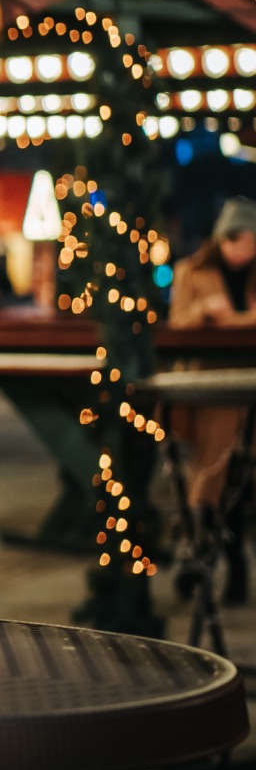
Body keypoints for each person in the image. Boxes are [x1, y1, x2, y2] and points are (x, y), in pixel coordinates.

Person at [166, 196, 256, 603]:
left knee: (241, 479)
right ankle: (202, 559)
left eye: (252, 241)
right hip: (212, 387)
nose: (245, 250)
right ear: (222, 239)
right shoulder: (191, 272)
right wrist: (202, 309)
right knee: (212, 474)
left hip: (250, 388)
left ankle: (223, 566)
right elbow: (176, 324)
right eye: (238, 240)